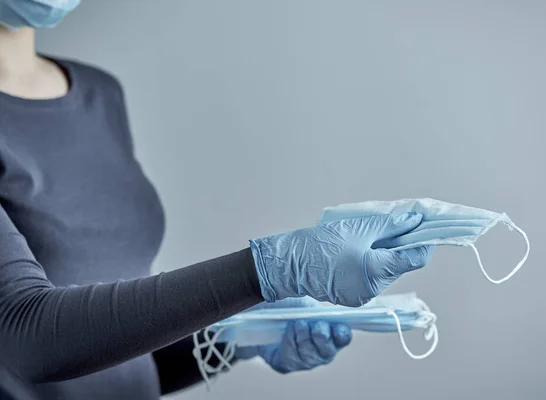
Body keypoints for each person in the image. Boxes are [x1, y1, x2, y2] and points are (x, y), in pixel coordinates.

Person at [0, 1, 434, 399]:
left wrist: (235, 338)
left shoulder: (99, 95)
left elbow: (119, 359)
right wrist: (270, 270)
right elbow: (30, 341)